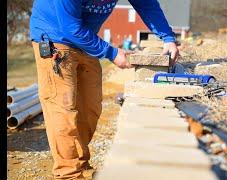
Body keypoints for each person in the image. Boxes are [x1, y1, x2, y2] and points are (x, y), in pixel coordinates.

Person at [29, 0, 179, 179]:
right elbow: (69, 26)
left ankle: (82, 165)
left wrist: (168, 38)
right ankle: (68, 173)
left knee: (90, 108)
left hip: (85, 39)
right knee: (63, 110)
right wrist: (112, 53)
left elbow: (147, 4)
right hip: (54, 37)